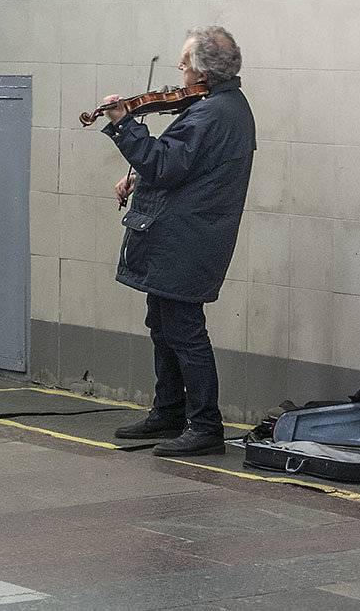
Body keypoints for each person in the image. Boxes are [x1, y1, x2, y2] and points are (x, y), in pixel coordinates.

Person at [100, 26, 255, 458]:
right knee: (163, 325)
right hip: (185, 234)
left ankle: (205, 425)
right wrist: (138, 174)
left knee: (185, 332)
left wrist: (124, 125)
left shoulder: (211, 113)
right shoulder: (223, 106)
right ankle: (169, 410)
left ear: (203, 68)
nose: (179, 70)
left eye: (185, 62)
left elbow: (166, 165)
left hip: (186, 238)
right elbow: (188, 168)